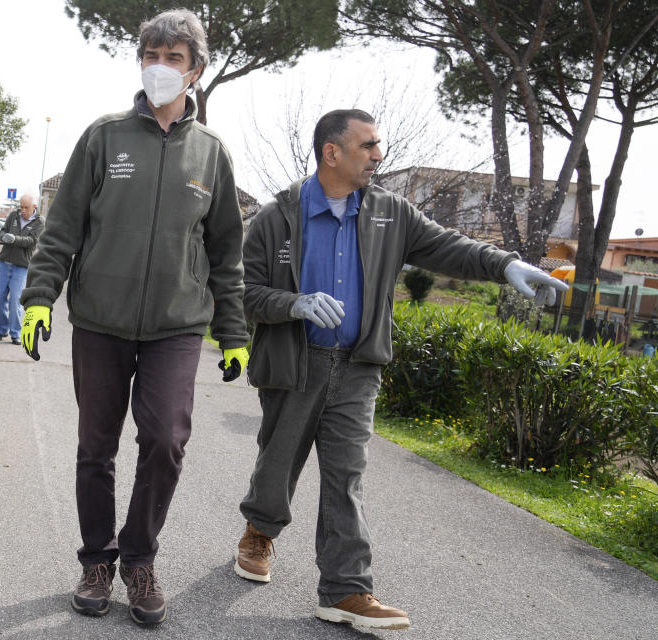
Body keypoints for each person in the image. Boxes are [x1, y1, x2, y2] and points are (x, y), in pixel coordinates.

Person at [232, 109, 568, 631]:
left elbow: (450, 247)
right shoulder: (279, 215)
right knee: (279, 460)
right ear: (332, 152)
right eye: (367, 145)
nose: (378, 155)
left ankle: (346, 590)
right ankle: (260, 530)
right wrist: (293, 304)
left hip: (359, 365)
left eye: (378, 145)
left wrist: (504, 265)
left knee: (346, 478)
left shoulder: (393, 212)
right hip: (294, 362)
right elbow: (245, 293)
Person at [18, 8, 249, 626]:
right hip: (99, 318)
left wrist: (234, 334)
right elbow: (61, 228)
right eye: (152, 55)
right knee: (96, 445)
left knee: (167, 441)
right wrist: (40, 297)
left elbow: (228, 253)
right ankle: (98, 558)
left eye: (175, 58)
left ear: (196, 71)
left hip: (177, 325)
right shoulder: (103, 136)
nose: (161, 67)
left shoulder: (212, 154)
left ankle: (139, 558)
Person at [0, 193, 42, 344]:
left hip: (21, 266)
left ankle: (15, 332)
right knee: (0, 296)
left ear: (34, 207)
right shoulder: (13, 216)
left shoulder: (40, 222)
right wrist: (2, 237)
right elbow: (2, 231)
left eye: (26, 207)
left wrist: (14, 239)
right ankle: (1, 330)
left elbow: (32, 241)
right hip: (4, 263)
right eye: (21, 207)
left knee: (15, 299)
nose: (23, 210)